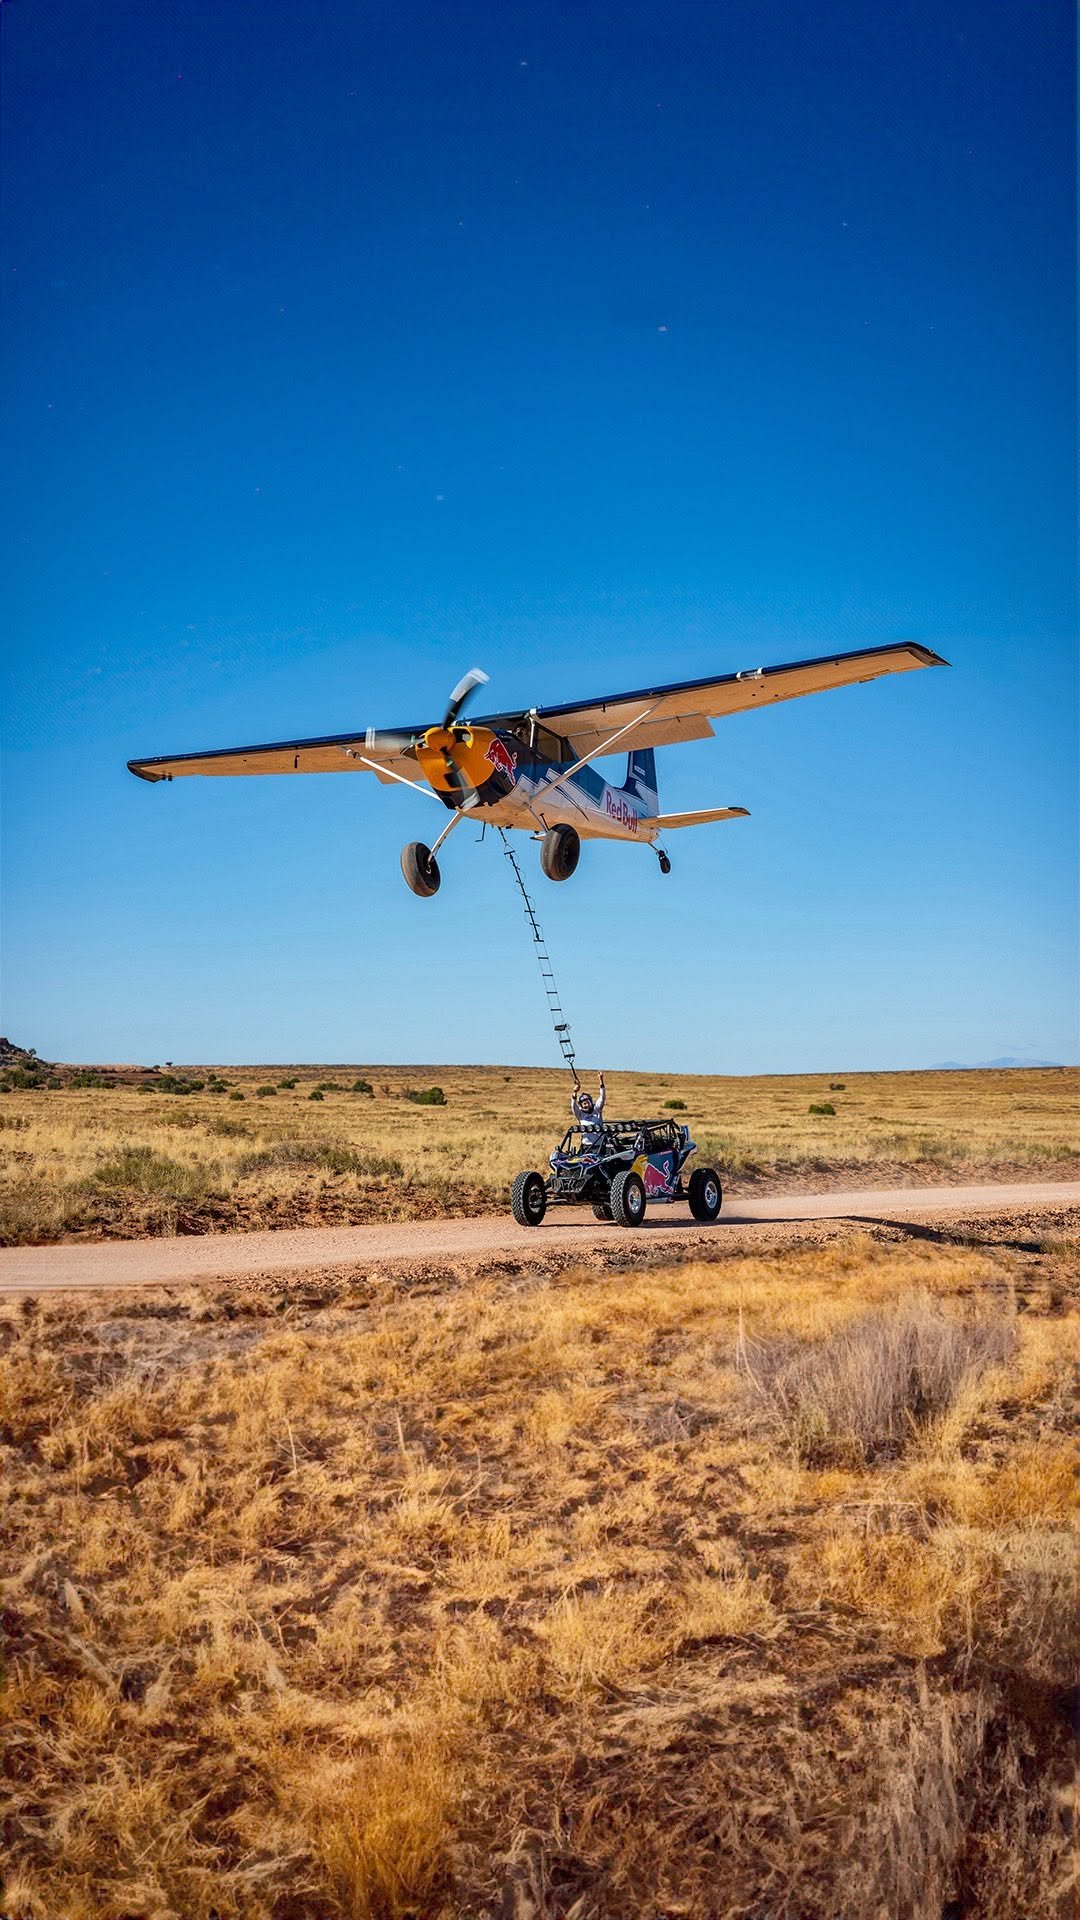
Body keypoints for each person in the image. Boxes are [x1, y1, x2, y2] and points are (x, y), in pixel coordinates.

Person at [571, 1072, 606, 1152]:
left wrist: (601, 1081)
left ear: (591, 1102)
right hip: (585, 1146)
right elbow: (573, 1106)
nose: (586, 1105)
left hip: (599, 1146)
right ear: (581, 1105)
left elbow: (602, 1097)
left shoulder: (597, 1109)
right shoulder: (580, 1114)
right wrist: (574, 1092)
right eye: (584, 1103)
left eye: (588, 1102)